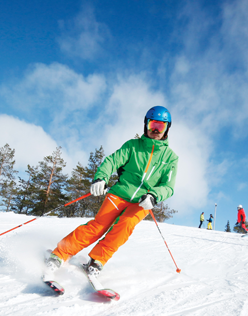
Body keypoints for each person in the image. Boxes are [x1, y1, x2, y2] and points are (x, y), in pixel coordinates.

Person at [44, 106, 178, 278]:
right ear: (146, 125)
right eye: (152, 124)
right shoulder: (132, 146)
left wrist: (154, 195)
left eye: (160, 126)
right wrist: (101, 177)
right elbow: (112, 161)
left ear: (167, 128)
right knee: (98, 226)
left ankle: (97, 261)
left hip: (142, 202)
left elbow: (168, 186)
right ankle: (59, 255)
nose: (155, 130)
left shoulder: (170, 158)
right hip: (119, 193)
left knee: (124, 228)